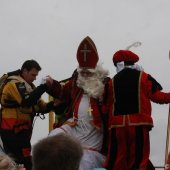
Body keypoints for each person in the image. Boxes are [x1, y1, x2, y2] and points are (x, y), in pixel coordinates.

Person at [46, 36, 114, 170]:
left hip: (94, 129)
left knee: (84, 160)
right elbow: (62, 92)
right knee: (52, 138)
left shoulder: (106, 85)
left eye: (88, 72)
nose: (84, 75)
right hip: (75, 125)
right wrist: (52, 84)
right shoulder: (76, 84)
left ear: (95, 73)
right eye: (82, 72)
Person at [104, 50, 170, 170]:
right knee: (138, 161)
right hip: (138, 124)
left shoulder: (111, 82)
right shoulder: (144, 77)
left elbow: (107, 106)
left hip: (117, 127)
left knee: (117, 160)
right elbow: (159, 97)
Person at [0, 59, 55, 170]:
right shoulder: (14, 84)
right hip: (11, 131)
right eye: (33, 74)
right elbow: (27, 102)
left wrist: (56, 104)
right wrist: (43, 86)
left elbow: (42, 107)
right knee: (18, 162)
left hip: (23, 132)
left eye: (36, 75)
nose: (35, 78)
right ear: (24, 71)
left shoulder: (29, 87)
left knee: (24, 161)